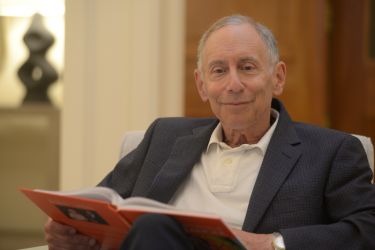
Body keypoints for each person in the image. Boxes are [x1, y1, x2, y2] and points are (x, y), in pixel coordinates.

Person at [44, 15, 375, 250]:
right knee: (152, 226)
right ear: (202, 85)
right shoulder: (164, 135)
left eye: (247, 67)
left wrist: (272, 244)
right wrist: (69, 231)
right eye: (219, 71)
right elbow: (100, 206)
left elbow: (368, 229)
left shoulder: (332, 150)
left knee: (153, 224)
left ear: (277, 78)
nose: (233, 85)